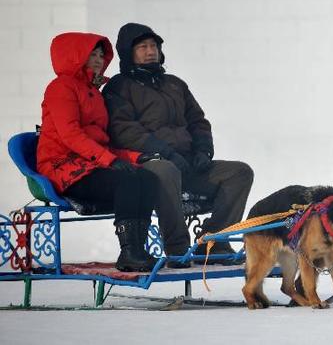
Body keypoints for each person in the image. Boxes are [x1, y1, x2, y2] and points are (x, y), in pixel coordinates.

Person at [103, 23, 253, 268]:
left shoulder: (175, 84)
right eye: (143, 47)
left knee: (239, 172)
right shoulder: (119, 87)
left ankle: (214, 242)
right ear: (128, 52)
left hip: (187, 162)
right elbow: (123, 130)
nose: (150, 51)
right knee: (166, 169)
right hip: (149, 164)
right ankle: (177, 248)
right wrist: (167, 153)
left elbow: (198, 121)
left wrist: (203, 151)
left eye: (154, 46)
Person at [37, 33, 158, 272]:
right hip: (64, 167)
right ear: (75, 57)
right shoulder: (61, 88)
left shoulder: (92, 91)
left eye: (101, 55)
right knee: (127, 181)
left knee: (147, 178)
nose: (98, 59)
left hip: (90, 164)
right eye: (91, 54)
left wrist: (133, 157)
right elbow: (70, 135)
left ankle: (137, 248)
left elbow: (101, 142)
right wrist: (109, 161)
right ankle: (129, 251)